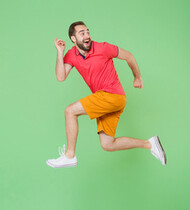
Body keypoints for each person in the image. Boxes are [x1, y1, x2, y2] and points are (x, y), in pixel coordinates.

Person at [47, 21, 166, 168]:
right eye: (82, 33)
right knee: (108, 144)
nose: (87, 36)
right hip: (108, 101)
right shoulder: (72, 54)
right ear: (73, 39)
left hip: (112, 95)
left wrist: (137, 77)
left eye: (88, 32)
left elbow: (128, 56)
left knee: (70, 111)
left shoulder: (103, 47)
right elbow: (61, 76)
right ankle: (149, 144)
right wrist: (60, 53)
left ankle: (70, 155)